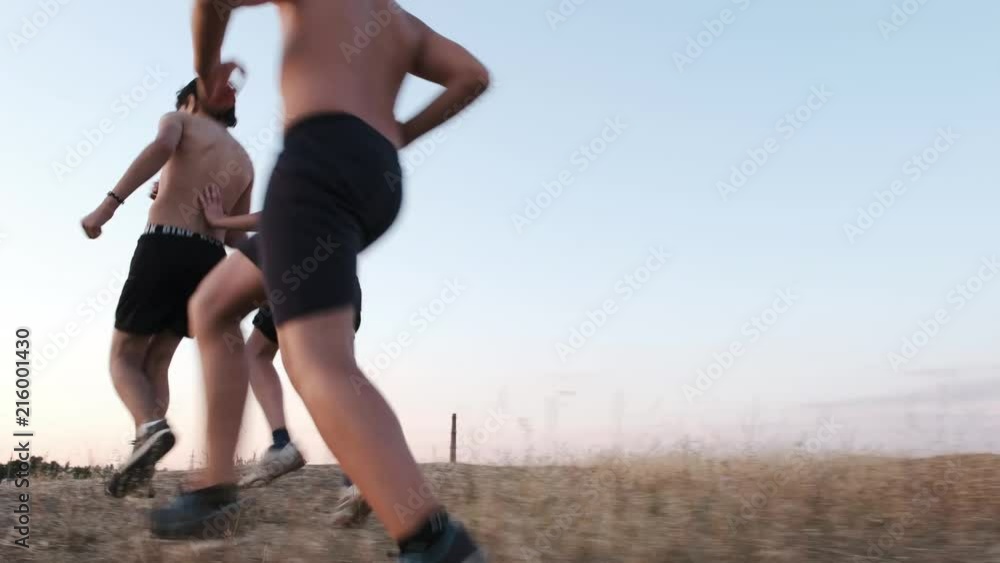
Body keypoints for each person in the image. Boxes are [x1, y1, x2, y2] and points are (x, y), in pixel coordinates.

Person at [153, 2, 490, 561]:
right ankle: (214, 490)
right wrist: (402, 132)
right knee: (212, 306)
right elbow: (472, 76)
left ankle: (434, 542)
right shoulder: (400, 21)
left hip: (319, 156)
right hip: (377, 175)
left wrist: (207, 72)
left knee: (317, 363)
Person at [81, 78, 253, 498]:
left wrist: (107, 206)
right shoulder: (244, 160)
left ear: (190, 100)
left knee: (123, 358)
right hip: (208, 261)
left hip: (164, 245)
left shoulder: (180, 120)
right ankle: (143, 465)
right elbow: (235, 236)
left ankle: (150, 427)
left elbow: (161, 147)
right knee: (158, 362)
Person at [198, 189, 373, 526]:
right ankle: (336, 472)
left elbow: (273, 217)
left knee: (316, 380)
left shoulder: (309, 174)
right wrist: (221, 223)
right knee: (261, 354)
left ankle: (344, 473)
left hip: (301, 270)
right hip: (339, 279)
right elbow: (250, 240)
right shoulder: (346, 186)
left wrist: (221, 219)